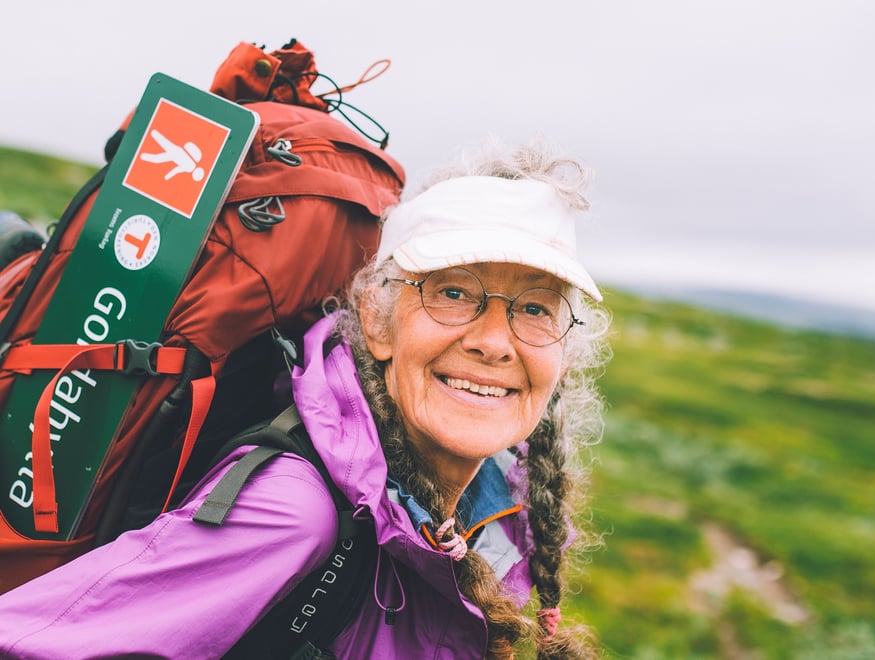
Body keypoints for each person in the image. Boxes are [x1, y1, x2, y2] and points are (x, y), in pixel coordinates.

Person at [0, 138, 611, 659]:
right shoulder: (293, 515)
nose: (495, 343)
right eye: (452, 293)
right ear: (375, 318)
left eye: (535, 308)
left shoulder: (502, 510)